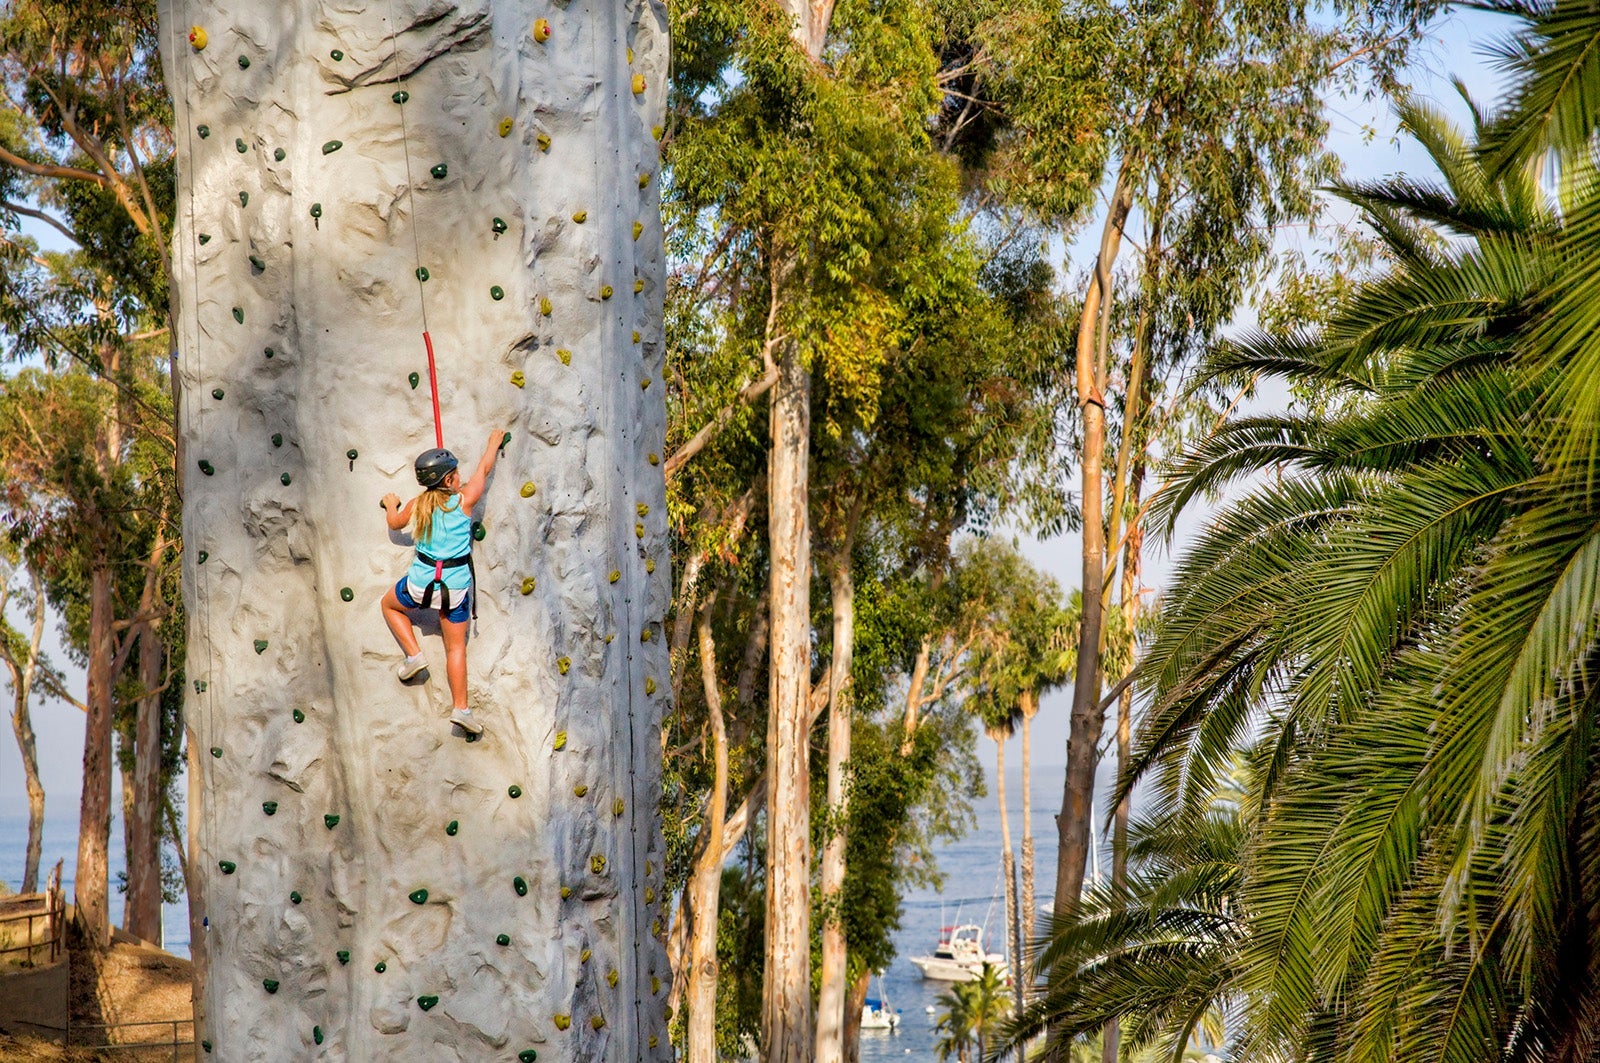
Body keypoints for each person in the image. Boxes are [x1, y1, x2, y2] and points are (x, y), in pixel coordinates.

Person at [379, 431, 502, 735]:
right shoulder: (464, 502)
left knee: (389, 605)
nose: (460, 476)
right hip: (455, 589)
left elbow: (395, 524)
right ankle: (461, 708)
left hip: (420, 585)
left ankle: (413, 655)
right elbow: (483, 470)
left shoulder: (418, 505)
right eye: (456, 473)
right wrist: (492, 444)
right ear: (448, 481)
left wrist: (391, 503)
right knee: (455, 648)